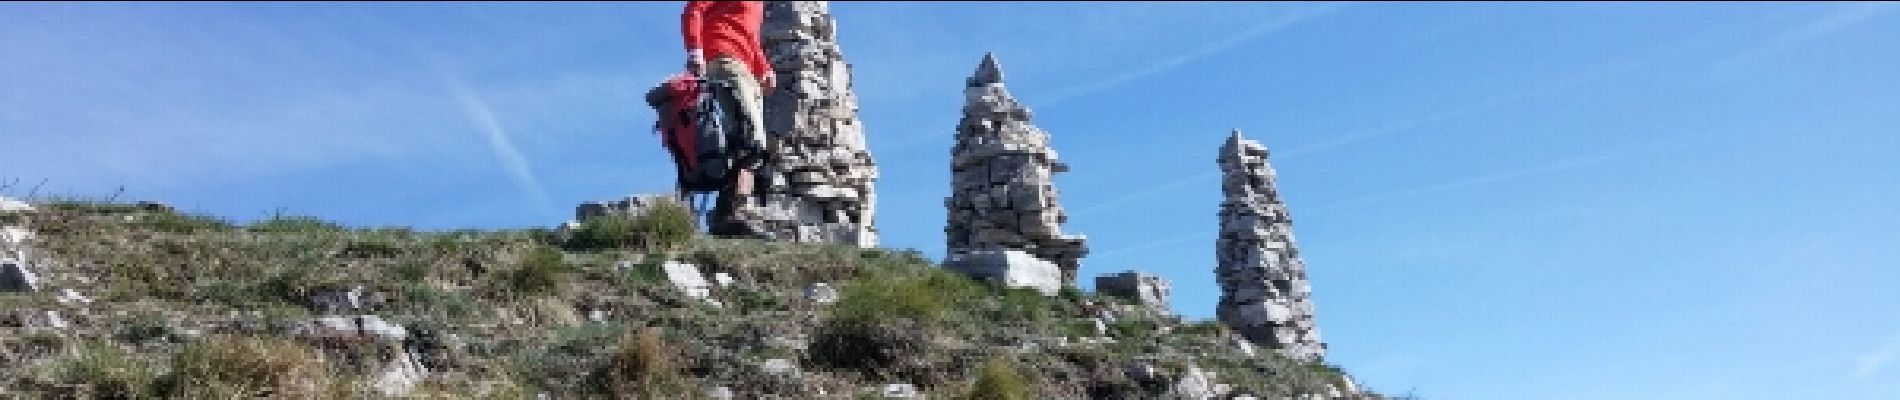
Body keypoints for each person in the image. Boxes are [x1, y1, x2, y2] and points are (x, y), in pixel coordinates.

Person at [681, 0, 775, 237]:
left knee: (745, 140)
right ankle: (734, 211)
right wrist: (695, 50)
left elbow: (750, 37)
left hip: (747, 71)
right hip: (725, 59)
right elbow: (694, 9)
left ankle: (729, 214)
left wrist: (764, 68)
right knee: (752, 139)